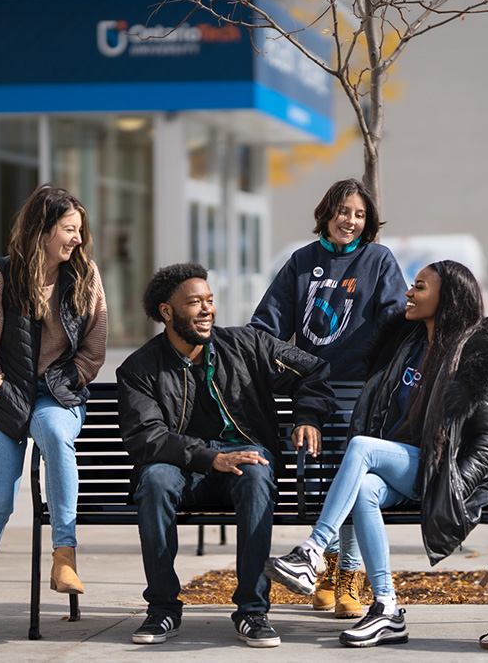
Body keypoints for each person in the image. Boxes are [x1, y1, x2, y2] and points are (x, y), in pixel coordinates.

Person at [264, 260, 488, 647]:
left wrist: (453, 481)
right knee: (365, 489)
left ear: (448, 299)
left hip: (437, 471)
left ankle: (312, 552)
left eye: (421, 287)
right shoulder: (408, 344)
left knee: (361, 447)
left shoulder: (477, 353)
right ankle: (387, 609)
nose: (409, 292)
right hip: (401, 464)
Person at [117, 263, 334, 648]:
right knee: (153, 480)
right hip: (183, 465)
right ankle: (163, 608)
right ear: (167, 312)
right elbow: (146, 438)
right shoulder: (139, 368)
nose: (207, 310)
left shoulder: (249, 344)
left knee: (255, 470)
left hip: (242, 461)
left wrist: (308, 417)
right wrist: (208, 457)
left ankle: (253, 611)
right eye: (195, 303)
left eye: (210, 301)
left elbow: (312, 370)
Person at [0, 185, 108, 641]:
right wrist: (3, 391)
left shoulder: (85, 276)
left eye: (80, 230)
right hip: (3, 399)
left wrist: (68, 381)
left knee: (55, 433)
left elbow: (94, 347)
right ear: (42, 230)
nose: (77, 239)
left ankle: (64, 556)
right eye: (69, 229)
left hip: (57, 394)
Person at [249, 178, 405, 618]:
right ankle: (328, 569)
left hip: (363, 392)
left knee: (353, 486)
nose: (350, 221)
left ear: (368, 221)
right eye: (343, 212)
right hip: (314, 391)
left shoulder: (379, 260)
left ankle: (349, 580)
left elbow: (396, 322)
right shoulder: (302, 262)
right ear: (326, 214)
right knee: (325, 484)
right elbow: (267, 326)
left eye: (359, 215)